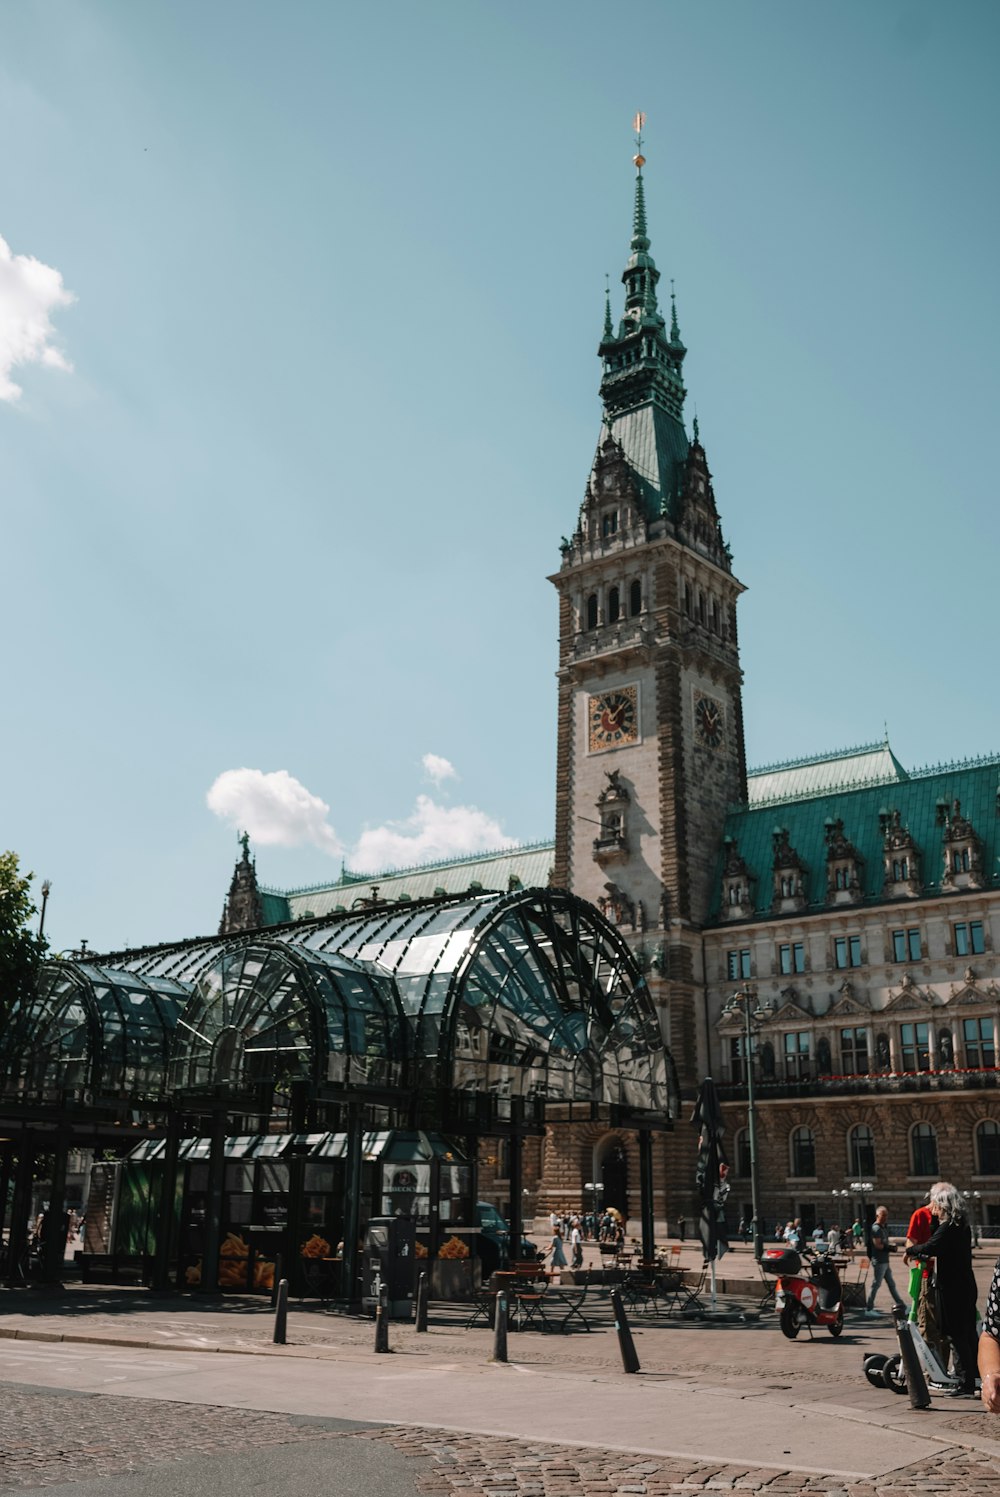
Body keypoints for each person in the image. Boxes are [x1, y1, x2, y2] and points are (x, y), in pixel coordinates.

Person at [905, 1181, 978, 1396]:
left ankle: (966, 1383)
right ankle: (972, 1377)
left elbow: (931, 1246)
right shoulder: (961, 1224)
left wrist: (911, 1250)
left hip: (952, 1288)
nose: (932, 1209)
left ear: (943, 1206)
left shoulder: (948, 1227)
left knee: (957, 1335)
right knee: (967, 1334)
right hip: (965, 1284)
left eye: (936, 1205)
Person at [865, 1205, 905, 1316]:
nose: (886, 1217)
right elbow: (877, 1245)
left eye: (886, 1215)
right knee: (876, 1284)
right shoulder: (876, 1228)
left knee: (891, 1284)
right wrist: (889, 1248)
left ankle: (901, 1304)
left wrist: (889, 1247)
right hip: (879, 1261)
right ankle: (869, 1309)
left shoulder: (882, 1227)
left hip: (884, 1260)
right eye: (883, 1215)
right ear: (878, 1215)